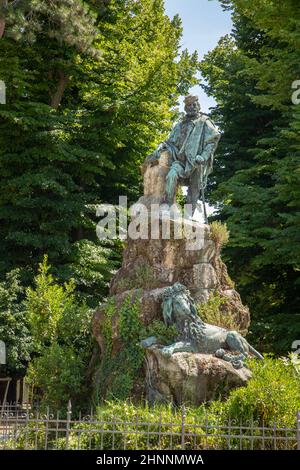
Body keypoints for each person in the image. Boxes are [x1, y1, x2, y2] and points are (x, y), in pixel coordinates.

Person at [143, 95, 220, 219]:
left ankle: (188, 215)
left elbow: (212, 142)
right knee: (171, 176)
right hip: (180, 161)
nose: (192, 107)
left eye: (194, 104)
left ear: (198, 106)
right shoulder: (180, 125)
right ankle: (168, 207)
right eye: (189, 105)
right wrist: (161, 146)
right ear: (185, 108)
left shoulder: (205, 122)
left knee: (194, 188)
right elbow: (170, 142)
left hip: (197, 161)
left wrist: (203, 156)